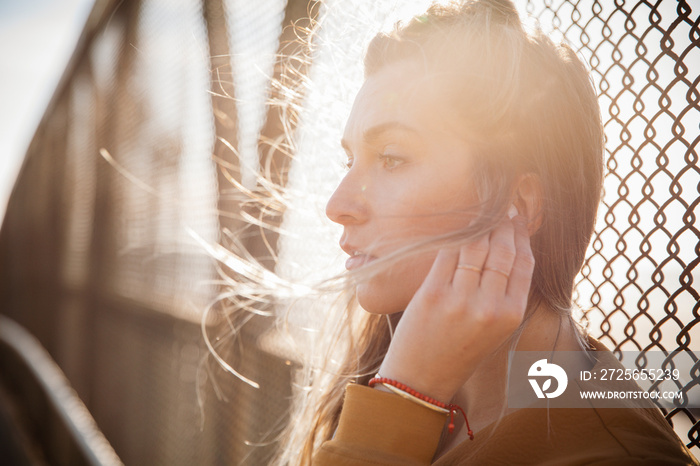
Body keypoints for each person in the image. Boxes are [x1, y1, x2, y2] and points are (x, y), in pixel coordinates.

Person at [269, 0, 698, 464]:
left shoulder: (610, 456)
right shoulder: (406, 376)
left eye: (392, 157)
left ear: (519, 205)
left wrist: (402, 400)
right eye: (349, 161)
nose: (337, 206)